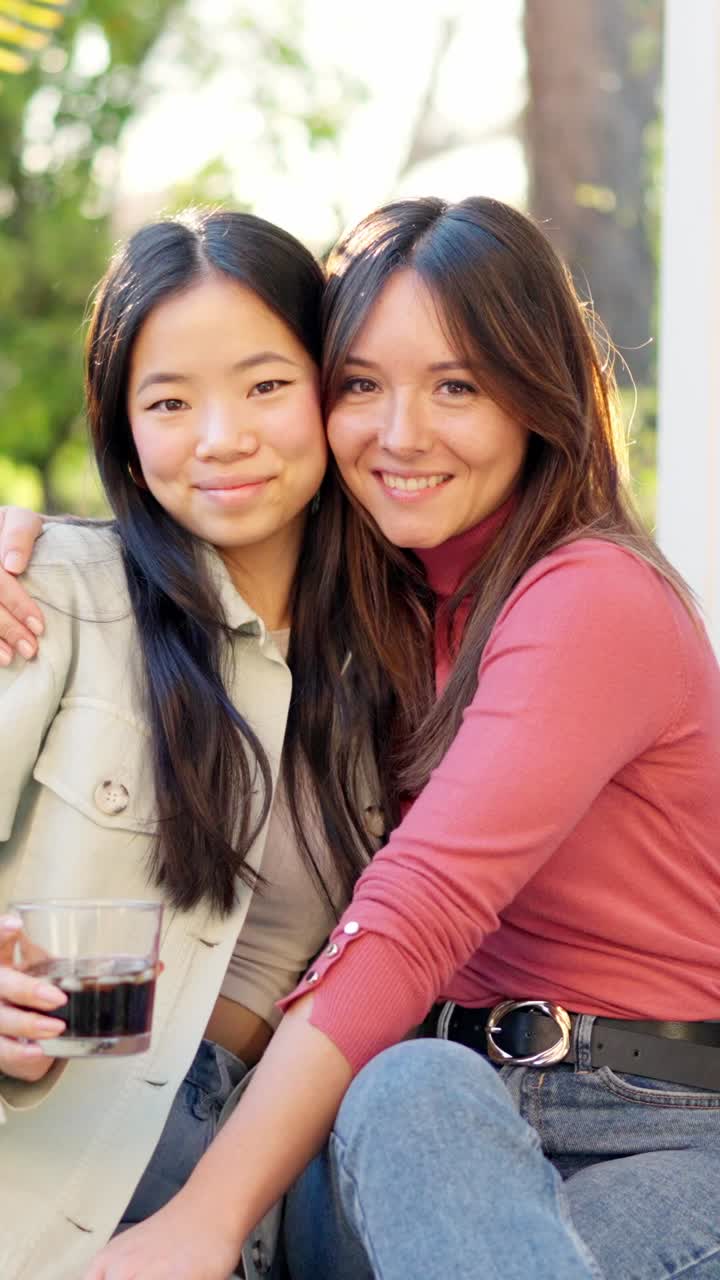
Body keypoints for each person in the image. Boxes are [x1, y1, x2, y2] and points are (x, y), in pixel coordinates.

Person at [3, 196, 720, 1280]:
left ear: (539, 394)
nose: (402, 433)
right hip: (422, 1115)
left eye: (458, 386)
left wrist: (209, 1214)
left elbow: (416, 910)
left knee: (411, 1088)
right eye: (362, 386)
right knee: (412, 1086)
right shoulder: (384, 617)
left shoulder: (589, 596)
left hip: (651, 1121)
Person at [0, 208, 400, 1280]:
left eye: (267, 384)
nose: (221, 436)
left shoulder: (408, 660)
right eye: (169, 401)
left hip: (293, 1177)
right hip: (67, 1168)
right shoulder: (50, 599)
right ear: (122, 426)